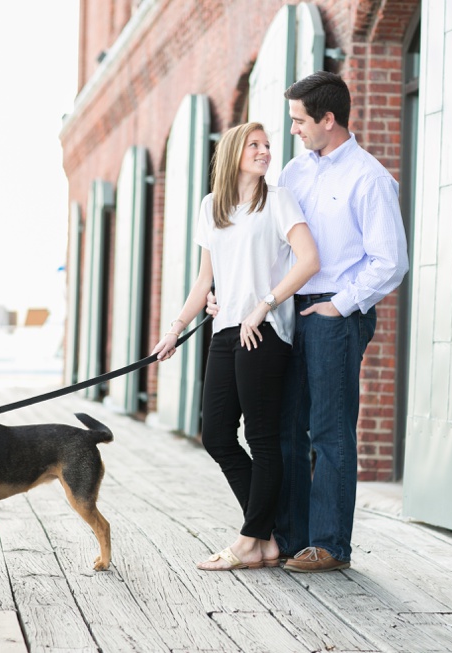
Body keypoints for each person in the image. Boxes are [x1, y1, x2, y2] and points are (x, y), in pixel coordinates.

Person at [208, 71, 409, 572]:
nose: (292, 129)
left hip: (336, 314)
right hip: (287, 311)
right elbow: (268, 240)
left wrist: (340, 305)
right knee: (283, 428)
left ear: (328, 119)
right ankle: (289, 536)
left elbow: (391, 261)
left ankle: (329, 543)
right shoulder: (295, 174)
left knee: (328, 430)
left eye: (300, 120)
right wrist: (229, 297)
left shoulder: (370, 178)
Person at [152, 122, 319, 571]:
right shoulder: (212, 207)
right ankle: (264, 536)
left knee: (261, 438)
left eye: (268, 146)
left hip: (263, 331)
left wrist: (264, 305)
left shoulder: (278, 200)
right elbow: (204, 281)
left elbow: (309, 260)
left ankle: (251, 540)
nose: (266, 151)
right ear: (233, 153)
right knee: (218, 436)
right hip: (224, 329)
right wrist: (175, 329)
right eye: (256, 145)